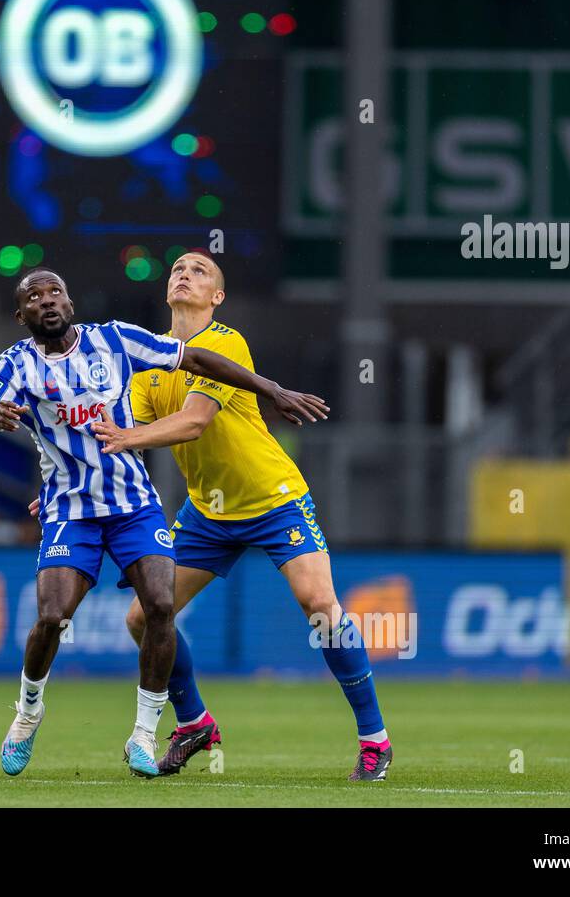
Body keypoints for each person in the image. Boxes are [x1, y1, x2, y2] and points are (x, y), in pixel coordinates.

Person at [0, 267, 326, 777]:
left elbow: (197, 358)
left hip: (134, 504)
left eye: (56, 292)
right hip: (71, 509)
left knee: (159, 605)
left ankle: (143, 733)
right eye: (33, 297)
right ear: (19, 314)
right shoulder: (16, 364)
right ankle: (27, 713)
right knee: (52, 616)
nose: (47, 301)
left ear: (70, 303)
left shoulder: (114, 340)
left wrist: (272, 390)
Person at [82, 252, 393, 781]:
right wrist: (72, 476)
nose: (184, 274)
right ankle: (194, 722)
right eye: (178, 269)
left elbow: (194, 422)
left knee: (320, 606)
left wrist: (126, 438)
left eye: (200, 271)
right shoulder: (151, 364)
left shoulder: (225, 343)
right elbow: (116, 428)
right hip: (207, 512)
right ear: (166, 291)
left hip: (273, 498)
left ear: (217, 297)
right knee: (144, 618)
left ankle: (374, 739)